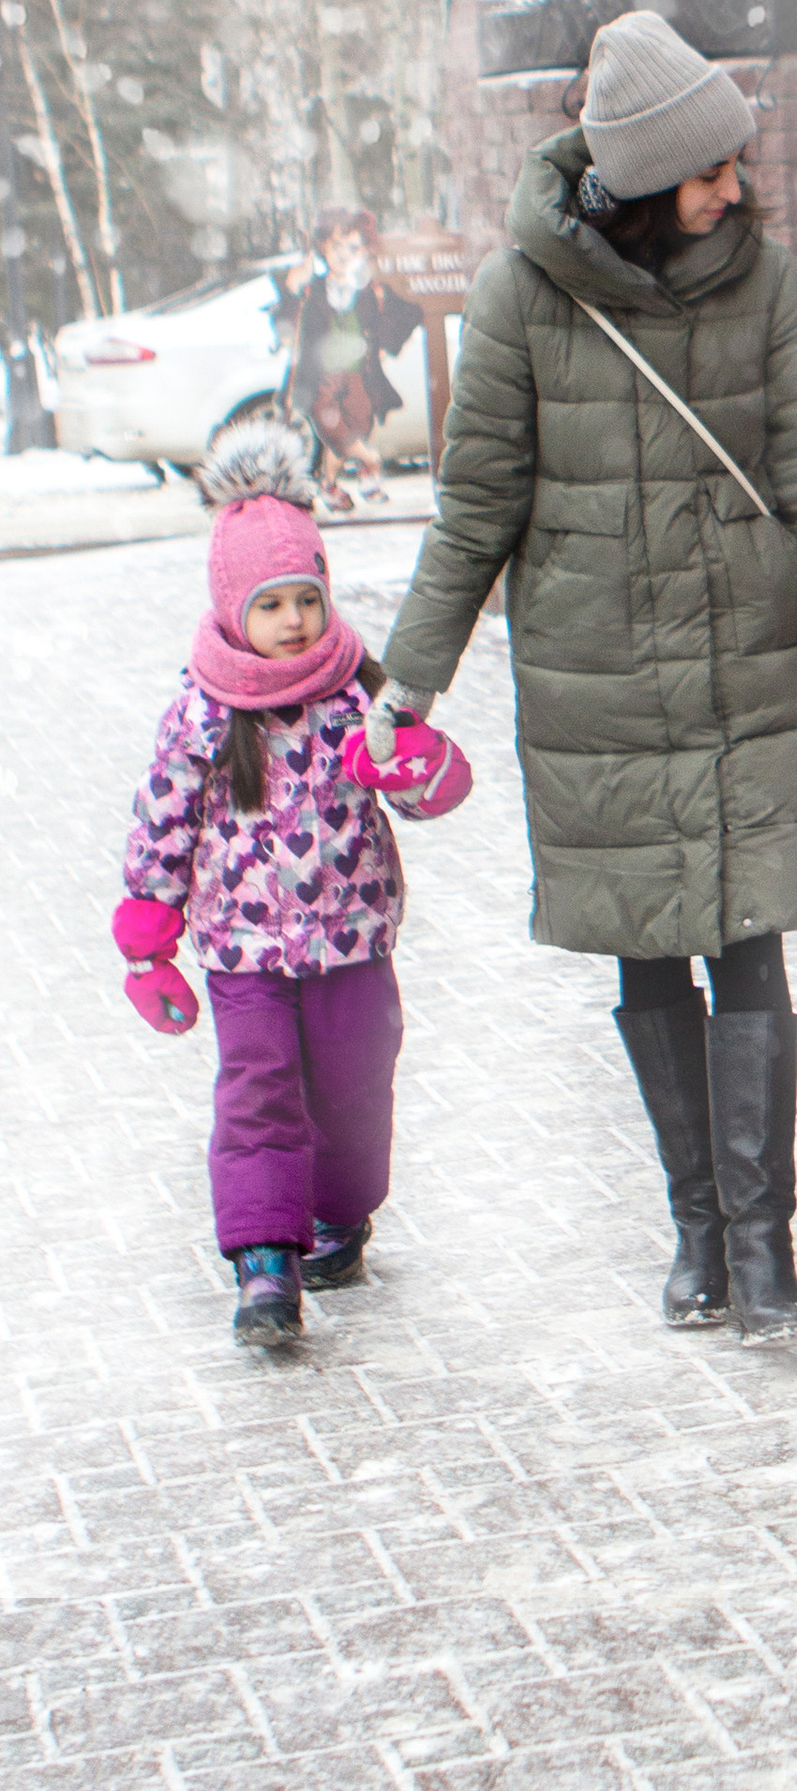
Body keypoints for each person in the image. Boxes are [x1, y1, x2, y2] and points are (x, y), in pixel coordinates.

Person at [377, 8, 797, 1347]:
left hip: (740, 664)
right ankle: (696, 1232)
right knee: (646, 958)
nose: (734, 188)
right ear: (633, 183)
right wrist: (410, 683)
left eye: (736, 164)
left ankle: (766, 1252)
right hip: (596, 679)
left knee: (751, 945)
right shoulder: (520, 297)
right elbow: (477, 508)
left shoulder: (768, 283)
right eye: (708, 169)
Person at [114, 423, 472, 1351]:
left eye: (306, 600)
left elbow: (423, 789)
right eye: (271, 606)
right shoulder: (202, 708)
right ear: (235, 609)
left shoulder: (357, 693)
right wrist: (150, 938)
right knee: (259, 1093)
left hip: (352, 935)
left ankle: (341, 1217)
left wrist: (421, 768)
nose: (295, 624)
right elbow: (163, 818)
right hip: (243, 949)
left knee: (356, 1085)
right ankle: (264, 1259)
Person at [277, 208, 426, 509]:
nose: (344, 255)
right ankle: (370, 464)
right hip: (321, 378)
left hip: (361, 375)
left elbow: (412, 311)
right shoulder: (311, 289)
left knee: (352, 429)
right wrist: (292, 290)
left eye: (353, 247)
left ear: (365, 251)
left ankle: (330, 486)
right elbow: (285, 325)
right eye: (336, 246)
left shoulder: (372, 290)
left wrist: (384, 342)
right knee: (334, 427)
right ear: (322, 248)